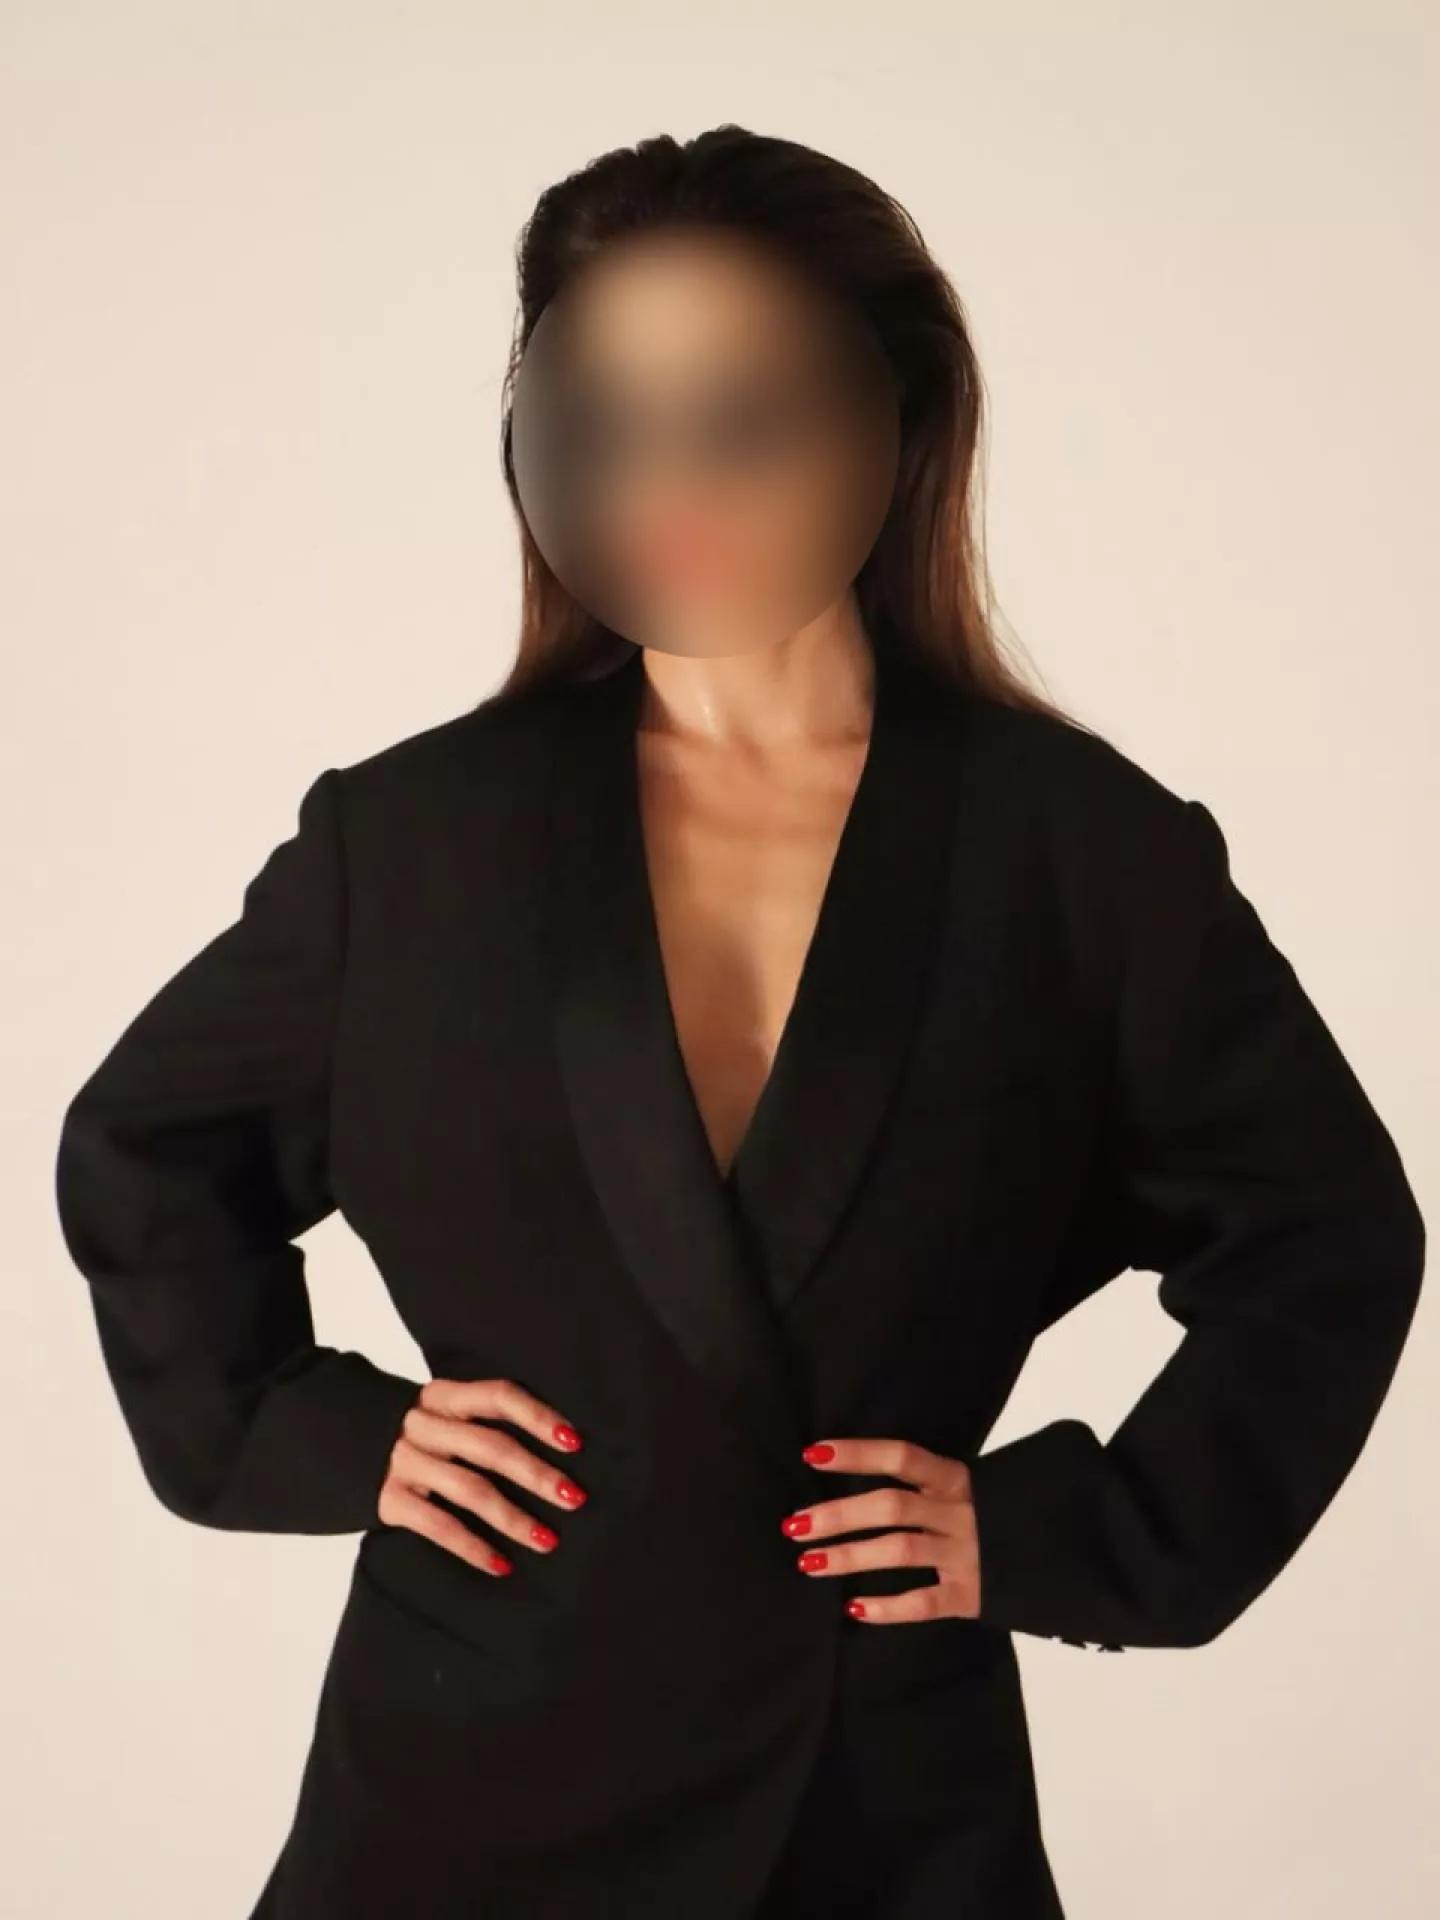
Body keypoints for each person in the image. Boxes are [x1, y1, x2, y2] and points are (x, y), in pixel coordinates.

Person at [53, 124, 1426, 1919]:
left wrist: (1078, 1537)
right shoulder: (415, 842)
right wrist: (308, 1430)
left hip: (882, 1799)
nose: (671, 476)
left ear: (898, 422)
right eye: (607, 416)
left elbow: (1326, 1238)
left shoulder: (1077, 852)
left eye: (745, 413)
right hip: (469, 1785)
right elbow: (146, 1149)